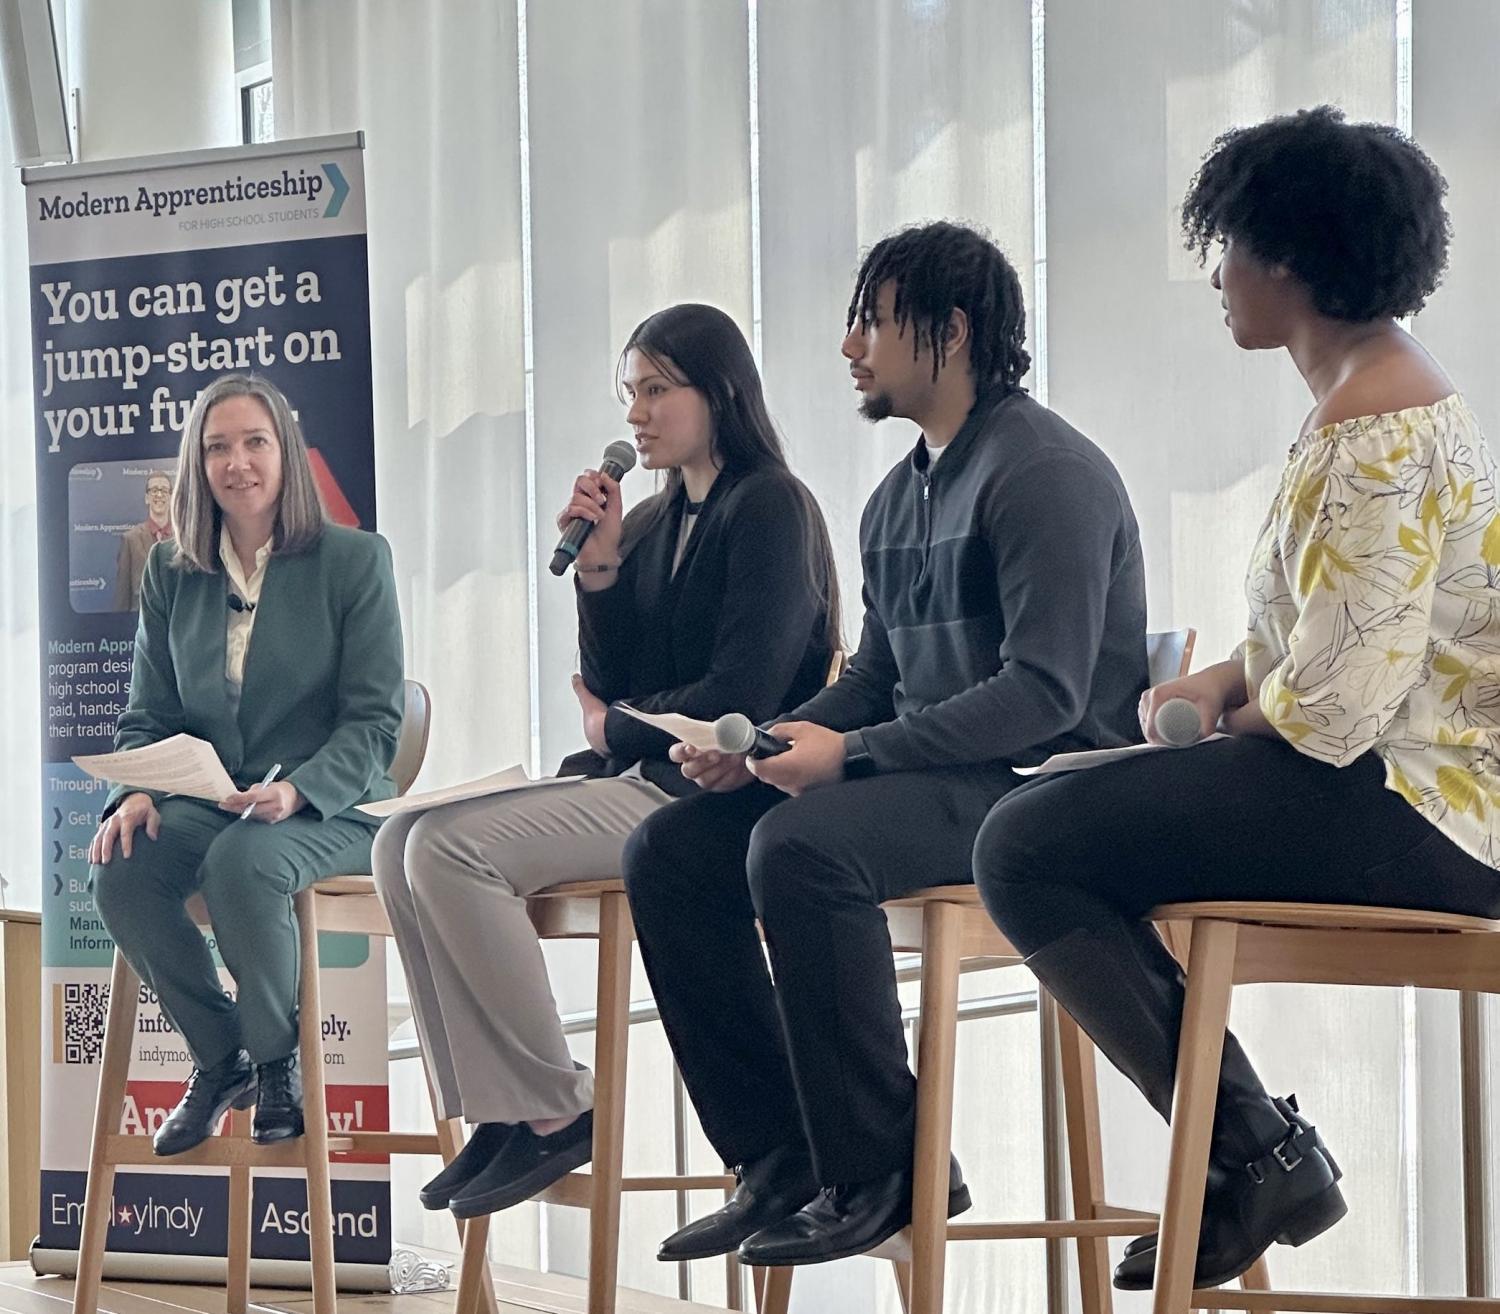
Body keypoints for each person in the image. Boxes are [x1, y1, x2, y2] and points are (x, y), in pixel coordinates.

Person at [974, 105, 1500, 1294]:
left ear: (1293, 259)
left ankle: (1255, 1152)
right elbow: (1333, 640)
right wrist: (1221, 684)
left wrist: (1227, 720)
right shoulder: (1377, 399)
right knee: (1058, 821)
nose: (1219, 277)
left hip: (1429, 808)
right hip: (1413, 789)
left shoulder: (1374, 428)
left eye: (1232, 248)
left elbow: (1336, 711)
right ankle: (1253, 1151)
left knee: (1025, 844)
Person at [622, 221, 1149, 1268]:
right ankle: (782, 1155)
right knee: (674, 852)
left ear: (949, 333)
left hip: (1034, 791)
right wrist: (771, 743)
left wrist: (849, 759)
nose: (851, 343)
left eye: (872, 318)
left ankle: (885, 1167)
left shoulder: (1041, 471)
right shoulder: (895, 495)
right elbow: (876, 677)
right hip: (939, 776)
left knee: (805, 847)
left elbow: (1044, 695)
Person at [372, 303, 839, 1221]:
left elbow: (735, 694)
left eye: (659, 390)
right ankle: (505, 1112)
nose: (637, 415)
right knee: (398, 848)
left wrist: (616, 731)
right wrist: (601, 570)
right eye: (631, 393)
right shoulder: (662, 515)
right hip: (640, 776)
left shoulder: (771, 506)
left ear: (722, 390)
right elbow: (620, 681)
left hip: (712, 795)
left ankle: (556, 1108)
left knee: (445, 851)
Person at [89, 374, 404, 1156]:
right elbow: (148, 712)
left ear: (285, 453)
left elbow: (375, 721)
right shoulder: (171, 571)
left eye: (254, 442)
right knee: (122, 870)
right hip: (216, 800)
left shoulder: (355, 561)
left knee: (241, 865)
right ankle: (222, 1057)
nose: (238, 463)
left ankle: (277, 1064)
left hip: (334, 807)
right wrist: (135, 789)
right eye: (217, 447)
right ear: (198, 466)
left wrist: (298, 789)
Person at [113, 469, 174, 611]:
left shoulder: (182, 540)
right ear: (146, 498)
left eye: (164, 490)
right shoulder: (130, 540)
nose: (159, 495)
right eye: (154, 490)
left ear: (171, 497)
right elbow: (122, 596)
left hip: (175, 627)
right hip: (139, 627)